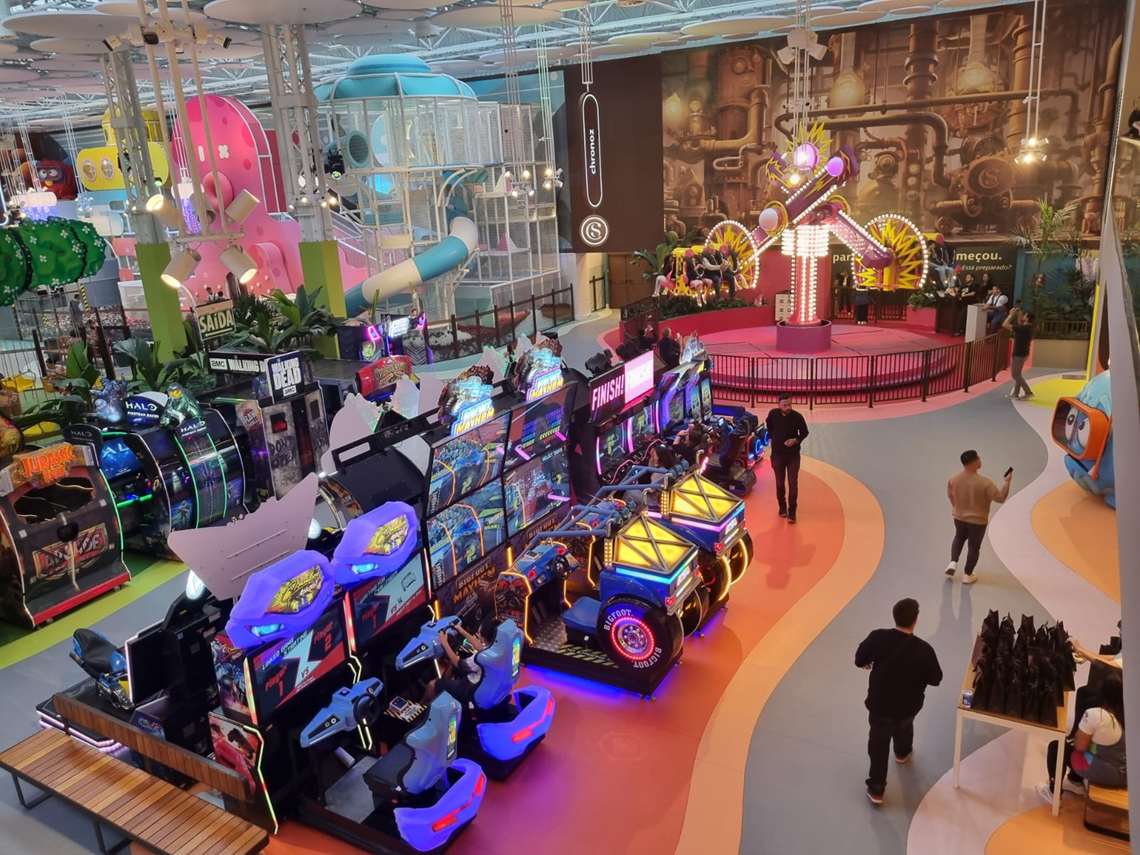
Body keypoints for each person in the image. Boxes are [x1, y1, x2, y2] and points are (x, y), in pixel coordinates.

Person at [855, 598, 943, 806]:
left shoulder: (877, 637)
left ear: (894, 616)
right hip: (908, 706)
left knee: (878, 744)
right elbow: (936, 679)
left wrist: (869, 662)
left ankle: (877, 789)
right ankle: (902, 753)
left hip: (879, 706)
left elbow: (859, 660)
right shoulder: (924, 650)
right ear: (915, 620)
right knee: (904, 726)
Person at [1038, 673, 1127, 804]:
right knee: (1086, 748)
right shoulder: (1121, 715)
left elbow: (1079, 747)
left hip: (1111, 774)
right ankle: (1075, 782)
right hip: (1123, 771)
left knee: (1057, 747)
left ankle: (1053, 793)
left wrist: (1079, 737)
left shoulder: (1096, 715)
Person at [945, 449, 1012, 584]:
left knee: (959, 537)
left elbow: (951, 496)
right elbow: (1000, 498)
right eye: (978, 458)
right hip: (978, 521)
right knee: (974, 547)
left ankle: (953, 562)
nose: (980, 460)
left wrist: (957, 508)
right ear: (974, 462)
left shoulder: (953, 480)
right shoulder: (986, 483)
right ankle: (967, 574)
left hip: (959, 517)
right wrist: (1007, 482)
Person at [426, 619, 493, 705]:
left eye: (479, 633)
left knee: (432, 685)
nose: (477, 635)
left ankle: (423, 707)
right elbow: (480, 647)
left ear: (484, 638)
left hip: (469, 688)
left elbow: (458, 664)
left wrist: (444, 642)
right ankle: (446, 683)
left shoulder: (480, 658)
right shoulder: (493, 647)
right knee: (452, 666)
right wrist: (461, 631)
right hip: (482, 682)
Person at [765, 393, 809, 523]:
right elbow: (769, 426)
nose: (788, 407)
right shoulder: (773, 414)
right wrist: (774, 438)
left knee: (792, 483)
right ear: (779, 405)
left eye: (790, 404)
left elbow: (804, 432)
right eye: (785, 405)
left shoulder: (797, 417)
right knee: (779, 483)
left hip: (793, 455)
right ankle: (782, 507)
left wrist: (795, 440)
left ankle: (792, 511)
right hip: (777, 455)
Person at [1003, 310, 1035, 399]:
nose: (1023, 316)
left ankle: (1028, 392)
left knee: (1015, 375)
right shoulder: (1028, 327)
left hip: (1019, 354)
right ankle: (1015, 394)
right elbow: (1019, 324)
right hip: (1023, 353)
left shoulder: (1023, 328)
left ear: (1027, 318)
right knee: (1018, 374)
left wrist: (1010, 315)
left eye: (1024, 315)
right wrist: (1018, 315)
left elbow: (1005, 324)